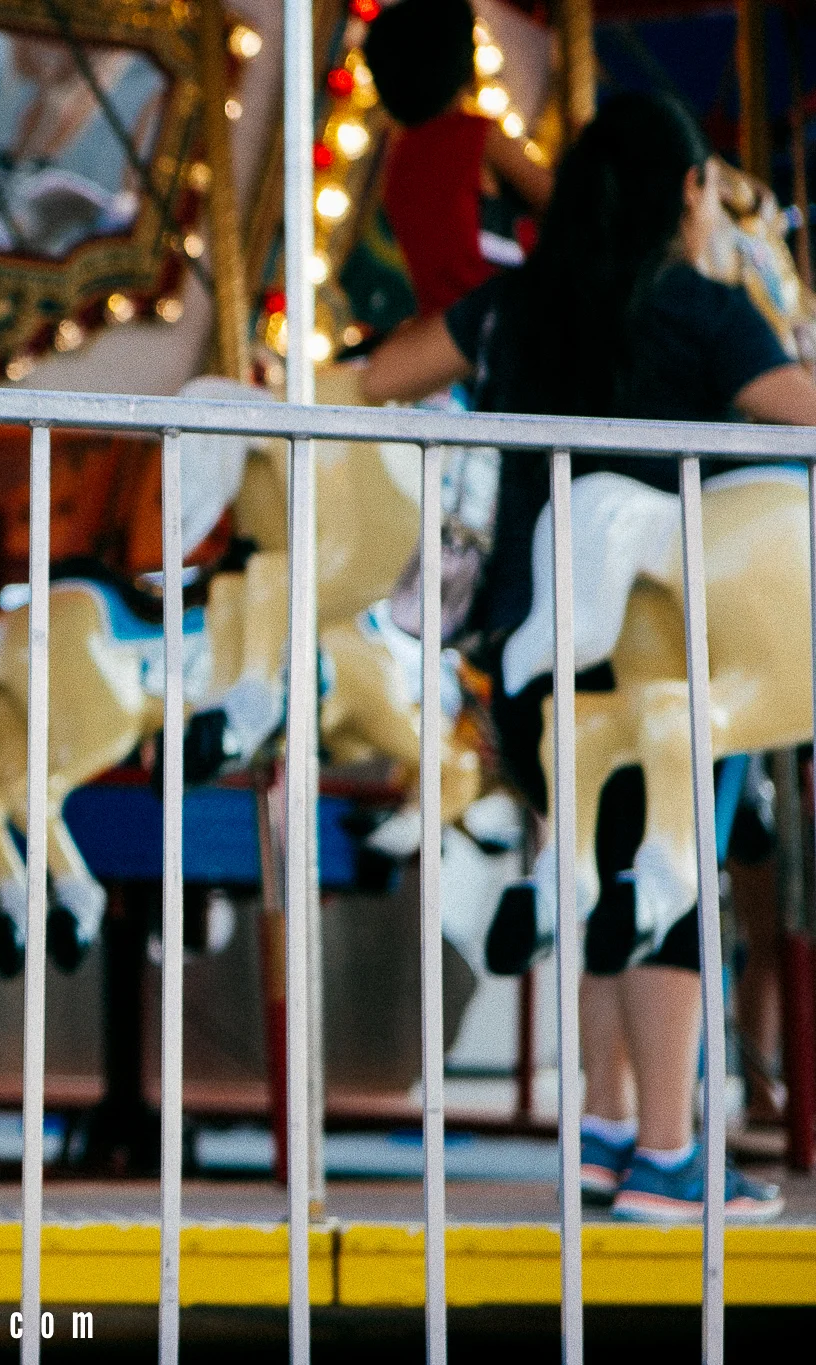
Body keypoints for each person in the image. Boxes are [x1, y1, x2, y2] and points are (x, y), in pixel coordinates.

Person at [364, 90, 816, 1222]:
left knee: (593, 871)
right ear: (684, 191)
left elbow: (379, 377)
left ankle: (606, 1134)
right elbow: (797, 409)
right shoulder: (703, 310)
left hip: (529, 650)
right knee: (661, 882)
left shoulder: (517, 305)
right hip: (658, 641)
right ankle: (669, 1155)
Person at [362, 0, 551, 320]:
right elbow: (564, 201)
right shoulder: (475, 135)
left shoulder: (396, 167)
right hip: (515, 312)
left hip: (450, 332)